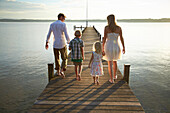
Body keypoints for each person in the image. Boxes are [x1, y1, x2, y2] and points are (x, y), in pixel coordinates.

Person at [45, 13, 70, 78]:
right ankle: (62, 70)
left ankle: (58, 72)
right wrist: (69, 41)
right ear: (61, 17)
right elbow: (66, 34)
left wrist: (47, 42)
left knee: (57, 58)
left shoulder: (52, 24)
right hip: (62, 43)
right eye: (64, 18)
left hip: (55, 44)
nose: (64, 19)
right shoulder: (63, 24)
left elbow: (49, 34)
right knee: (64, 58)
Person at [102, 14, 125, 84]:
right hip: (116, 46)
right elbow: (121, 38)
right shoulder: (119, 28)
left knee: (110, 63)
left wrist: (102, 48)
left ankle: (112, 79)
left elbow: (104, 38)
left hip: (108, 46)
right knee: (115, 61)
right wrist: (124, 47)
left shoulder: (106, 28)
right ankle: (115, 76)